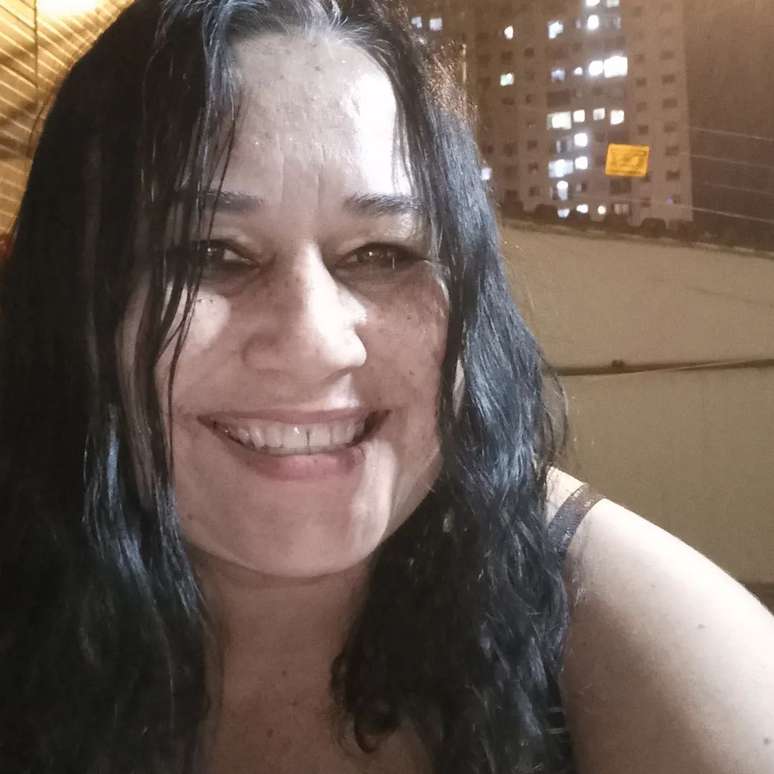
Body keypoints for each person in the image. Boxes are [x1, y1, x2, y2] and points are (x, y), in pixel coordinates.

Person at [1, 1, 773, 772]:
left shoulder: (639, 638)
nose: (315, 345)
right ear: (75, 303)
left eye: (380, 255)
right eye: (208, 251)